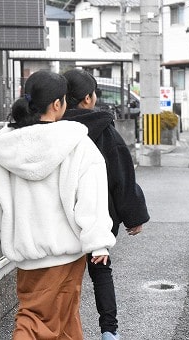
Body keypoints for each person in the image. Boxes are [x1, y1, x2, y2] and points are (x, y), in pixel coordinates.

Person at [0, 70, 116, 339]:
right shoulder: (77, 144)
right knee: (37, 321)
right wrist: (97, 241)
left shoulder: (3, 148)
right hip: (66, 252)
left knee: (60, 319)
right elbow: (90, 197)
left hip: (27, 255)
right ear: (58, 104)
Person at [62, 69, 150, 340]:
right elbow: (120, 174)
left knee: (64, 278)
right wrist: (133, 215)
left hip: (62, 216)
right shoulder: (103, 129)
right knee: (101, 271)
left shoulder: (53, 126)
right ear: (88, 98)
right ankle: (109, 331)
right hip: (99, 215)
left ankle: (63, 328)